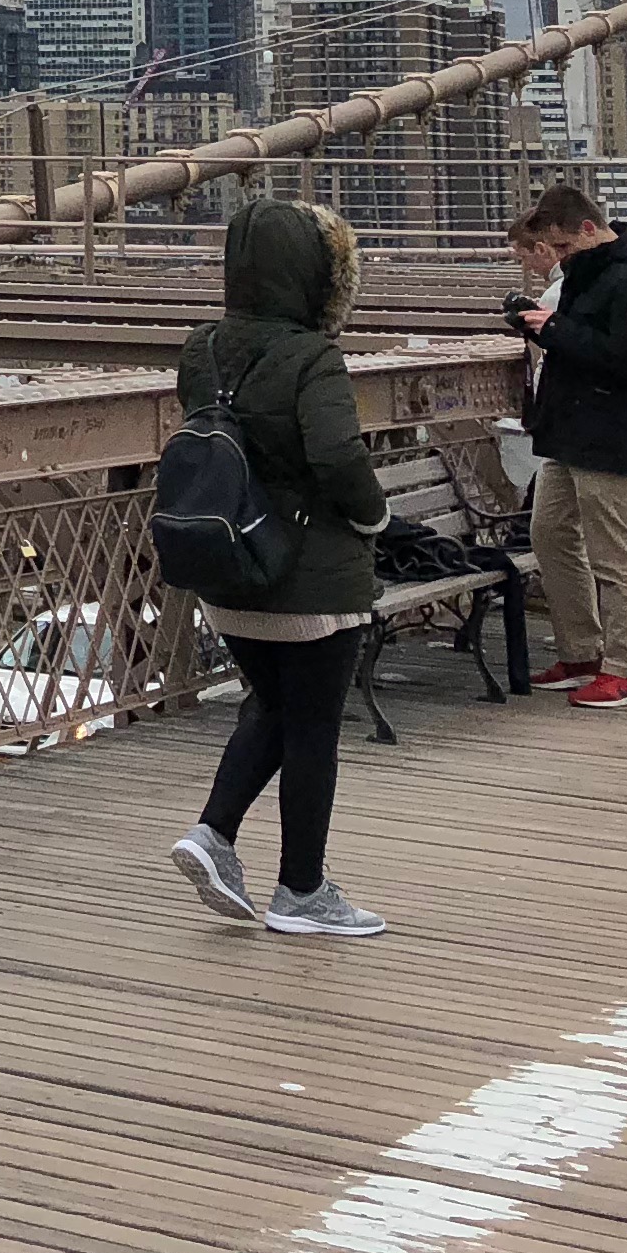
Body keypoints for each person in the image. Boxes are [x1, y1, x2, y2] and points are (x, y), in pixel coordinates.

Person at [165, 198, 395, 939]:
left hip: (228, 567)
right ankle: (301, 891)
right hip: (313, 579)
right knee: (313, 728)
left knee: (270, 703)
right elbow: (335, 455)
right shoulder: (314, 356)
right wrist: (374, 517)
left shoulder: (201, 348)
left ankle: (213, 834)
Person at [505, 180, 627, 713]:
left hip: (611, 432)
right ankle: (581, 653)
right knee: (551, 534)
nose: (553, 258)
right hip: (570, 430)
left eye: (560, 247)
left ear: (587, 230)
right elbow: (583, 343)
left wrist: (555, 328)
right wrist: (544, 328)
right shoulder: (590, 272)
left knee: (614, 552)